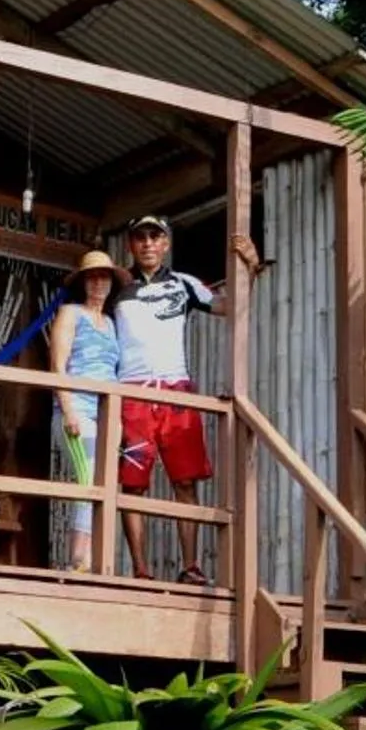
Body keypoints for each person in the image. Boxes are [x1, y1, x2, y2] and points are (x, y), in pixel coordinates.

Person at [111, 213, 260, 581]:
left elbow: (230, 308)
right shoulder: (118, 285)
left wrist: (251, 270)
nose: (147, 244)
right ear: (131, 244)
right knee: (133, 483)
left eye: (155, 236)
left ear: (166, 243)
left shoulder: (183, 284)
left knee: (185, 481)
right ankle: (140, 570)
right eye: (140, 237)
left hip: (177, 392)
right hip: (132, 391)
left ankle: (190, 566)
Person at [46, 249, 123, 572]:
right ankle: (79, 559)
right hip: (76, 406)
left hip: (106, 413)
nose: (98, 282)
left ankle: (94, 559)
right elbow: (58, 364)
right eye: (92, 276)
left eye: (103, 276)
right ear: (83, 282)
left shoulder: (111, 323)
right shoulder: (70, 313)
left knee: (105, 482)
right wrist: (68, 409)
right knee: (89, 478)